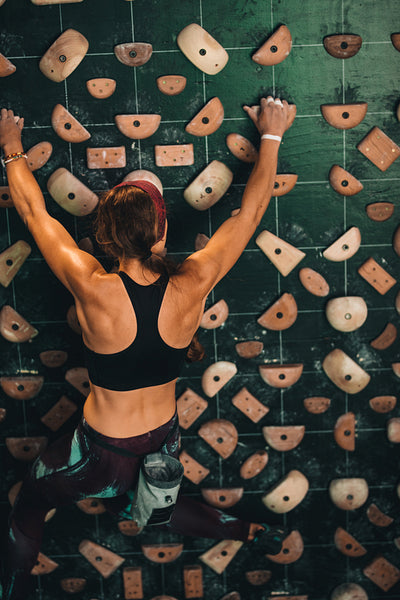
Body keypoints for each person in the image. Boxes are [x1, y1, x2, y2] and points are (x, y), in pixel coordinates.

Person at [0, 96, 291, 600]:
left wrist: (9, 146)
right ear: (161, 231)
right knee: (147, 504)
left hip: (96, 454)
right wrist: (272, 134)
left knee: (29, 502)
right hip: (163, 444)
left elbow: (33, 210)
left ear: (106, 235)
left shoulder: (90, 284)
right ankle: (252, 532)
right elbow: (252, 210)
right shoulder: (193, 281)